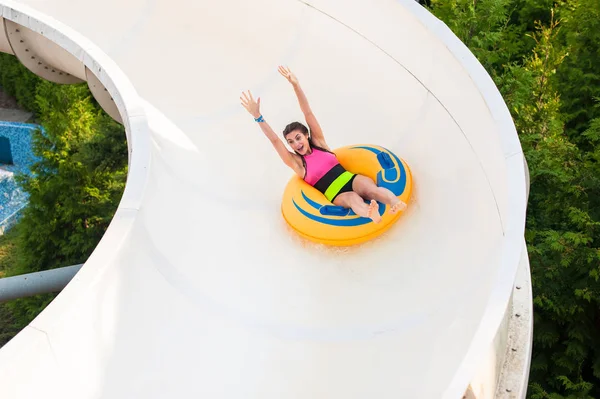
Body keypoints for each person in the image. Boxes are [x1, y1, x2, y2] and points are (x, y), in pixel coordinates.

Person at [240, 66, 407, 224]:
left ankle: (395, 201)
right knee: (352, 199)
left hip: (351, 178)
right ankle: (370, 213)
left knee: (371, 190)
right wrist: (257, 116)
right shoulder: (297, 163)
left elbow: (308, 112)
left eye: (298, 138)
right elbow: (275, 140)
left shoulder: (319, 142)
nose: (296, 144)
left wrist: (296, 85)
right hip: (336, 194)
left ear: (306, 135)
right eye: (290, 142)